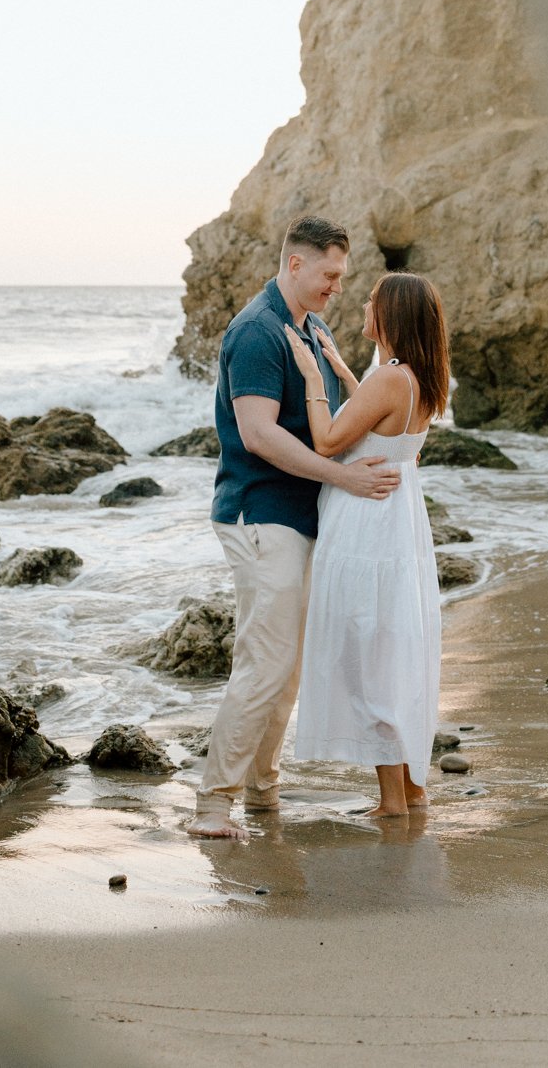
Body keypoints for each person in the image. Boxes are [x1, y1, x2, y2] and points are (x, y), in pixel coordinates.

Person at [187, 215, 403, 840]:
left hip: (303, 517)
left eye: (342, 276)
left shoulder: (314, 326)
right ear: (295, 265)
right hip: (259, 514)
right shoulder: (256, 331)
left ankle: (262, 790)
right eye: (329, 275)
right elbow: (258, 435)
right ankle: (212, 804)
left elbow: (330, 426)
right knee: (265, 662)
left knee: (288, 666)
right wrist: (343, 479)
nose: (337, 286)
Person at [284, 271, 450, 818]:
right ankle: (411, 786)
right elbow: (384, 432)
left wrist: (312, 376)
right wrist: (343, 371)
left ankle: (391, 802)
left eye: (372, 300)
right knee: (392, 647)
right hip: (399, 524)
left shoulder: (389, 380)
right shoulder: (418, 378)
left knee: (367, 649)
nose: (361, 303)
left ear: (391, 315)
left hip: (366, 524)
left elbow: (331, 441)